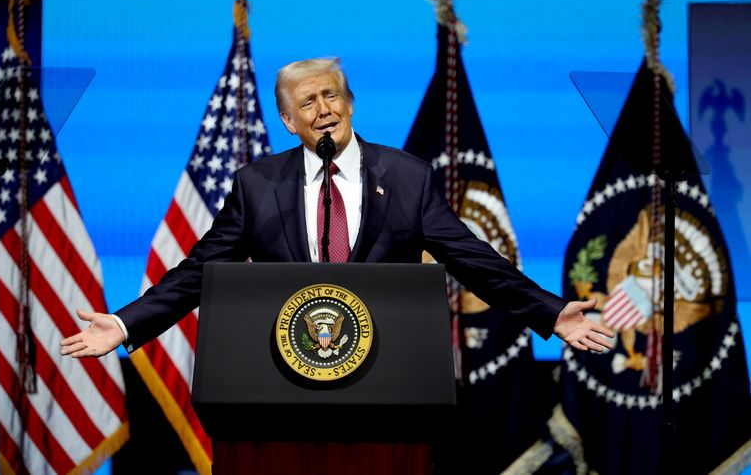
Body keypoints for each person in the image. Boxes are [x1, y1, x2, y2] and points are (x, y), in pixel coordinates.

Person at [61, 58, 613, 359]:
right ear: (288, 121)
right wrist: (124, 323)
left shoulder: (405, 176)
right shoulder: (257, 184)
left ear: (349, 104)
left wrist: (547, 309)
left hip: (387, 369)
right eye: (308, 102)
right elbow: (197, 272)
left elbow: (472, 257)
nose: (323, 109)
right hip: (287, 367)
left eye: (332, 96)